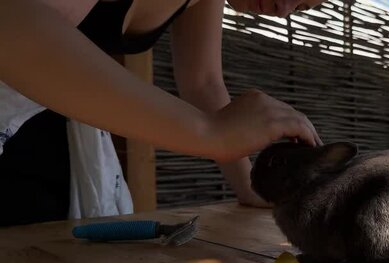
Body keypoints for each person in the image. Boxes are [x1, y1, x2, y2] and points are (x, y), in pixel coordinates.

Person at [0, 0, 324, 226]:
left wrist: (251, 187)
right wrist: (207, 133)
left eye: (301, 7)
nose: (284, 10)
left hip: (43, 126)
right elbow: (10, 25)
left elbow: (203, 84)